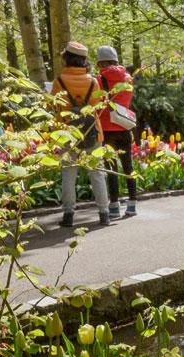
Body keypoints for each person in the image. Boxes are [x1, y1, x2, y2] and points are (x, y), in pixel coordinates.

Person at [52, 41, 112, 227]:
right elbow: (99, 106)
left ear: (66, 58)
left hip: (68, 133)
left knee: (69, 174)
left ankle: (68, 215)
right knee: (97, 173)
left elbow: (53, 106)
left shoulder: (58, 82)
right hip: (91, 132)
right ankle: (104, 214)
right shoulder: (93, 82)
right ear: (84, 60)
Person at [96, 45, 138, 220]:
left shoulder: (99, 80)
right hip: (125, 126)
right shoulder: (128, 79)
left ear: (101, 63)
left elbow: (97, 103)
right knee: (128, 167)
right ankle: (132, 205)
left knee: (111, 169)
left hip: (107, 129)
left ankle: (114, 207)